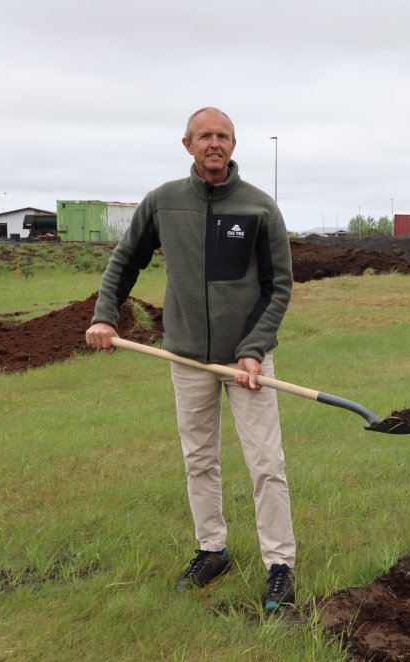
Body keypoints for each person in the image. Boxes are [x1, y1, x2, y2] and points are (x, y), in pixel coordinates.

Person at [85, 107, 297, 609]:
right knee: (199, 458)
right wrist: (104, 315)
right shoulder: (163, 202)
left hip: (247, 363)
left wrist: (252, 350)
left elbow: (278, 286)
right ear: (188, 145)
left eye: (223, 136)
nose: (214, 143)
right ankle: (212, 549)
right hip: (187, 358)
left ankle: (280, 565)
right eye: (205, 136)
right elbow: (125, 260)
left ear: (234, 145)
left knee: (265, 462)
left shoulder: (260, 207)